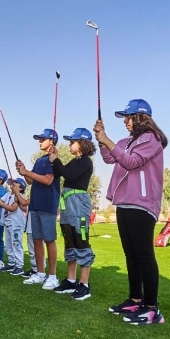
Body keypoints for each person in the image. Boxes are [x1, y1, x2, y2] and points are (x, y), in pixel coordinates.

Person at [94, 99, 167, 323]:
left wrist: (107, 140)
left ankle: (152, 307)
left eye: (128, 116)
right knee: (131, 255)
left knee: (144, 255)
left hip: (142, 204)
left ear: (140, 117)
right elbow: (109, 157)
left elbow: (132, 162)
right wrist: (101, 138)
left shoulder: (152, 139)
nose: (125, 121)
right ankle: (135, 300)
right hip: (124, 203)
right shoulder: (126, 141)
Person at [49, 128, 96, 301]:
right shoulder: (74, 161)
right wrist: (53, 158)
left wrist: (57, 160)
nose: (69, 144)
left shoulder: (86, 162)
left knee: (80, 240)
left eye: (72, 142)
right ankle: (71, 280)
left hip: (79, 204)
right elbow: (57, 173)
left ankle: (84, 284)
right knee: (69, 240)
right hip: (67, 204)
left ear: (82, 144)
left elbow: (67, 174)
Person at [17, 128, 60, 290]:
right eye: (39, 139)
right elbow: (30, 181)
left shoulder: (53, 160)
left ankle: (53, 276)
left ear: (52, 141)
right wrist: (23, 171)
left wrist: (27, 172)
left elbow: (48, 180)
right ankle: (40, 273)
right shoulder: (39, 160)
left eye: (43, 139)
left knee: (49, 240)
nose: (40, 141)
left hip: (47, 204)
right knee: (36, 240)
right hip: (35, 204)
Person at [0, 177, 28, 275]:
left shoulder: (19, 197)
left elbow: (13, 208)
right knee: (9, 245)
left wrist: (1, 204)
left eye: (16, 183)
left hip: (16, 225)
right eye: (12, 182)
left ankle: (19, 266)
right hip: (8, 223)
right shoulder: (8, 195)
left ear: (21, 188)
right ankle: (11, 263)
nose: (12, 184)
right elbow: (0, 200)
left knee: (16, 244)